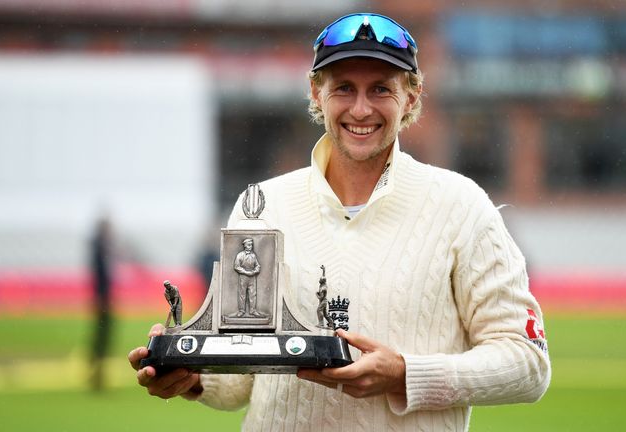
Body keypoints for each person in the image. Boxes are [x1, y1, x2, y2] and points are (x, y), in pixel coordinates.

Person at [129, 12, 550, 431]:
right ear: (316, 92)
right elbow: (241, 375)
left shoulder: (461, 205)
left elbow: (528, 362)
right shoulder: (262, 204)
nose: (361, 109)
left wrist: (405, 373)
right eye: (344, 88)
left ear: (413, 95)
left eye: (380, 89)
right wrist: (191, 374)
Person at [89, 216, 114, 392]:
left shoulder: (100, 247)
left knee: (102, 338)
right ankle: (96, 374)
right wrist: (100, 297)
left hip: (104, 299)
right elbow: (99, 276)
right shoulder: (99, 248)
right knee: (101, 338)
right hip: (102, 300)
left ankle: (98, 373)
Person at [232, 238, 264, 318]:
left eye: (251, 245)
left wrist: (255, 271)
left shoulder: (253, 255)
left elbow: (257, 265)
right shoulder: (240, 255)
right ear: (245, 245)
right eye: (249, 245)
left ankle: (252, 310)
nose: (251, 246)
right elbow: (236, 266)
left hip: (252, 277)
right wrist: (246, 272)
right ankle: (241, 311)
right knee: (242, 294)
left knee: (253, 294)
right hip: (243, 276)